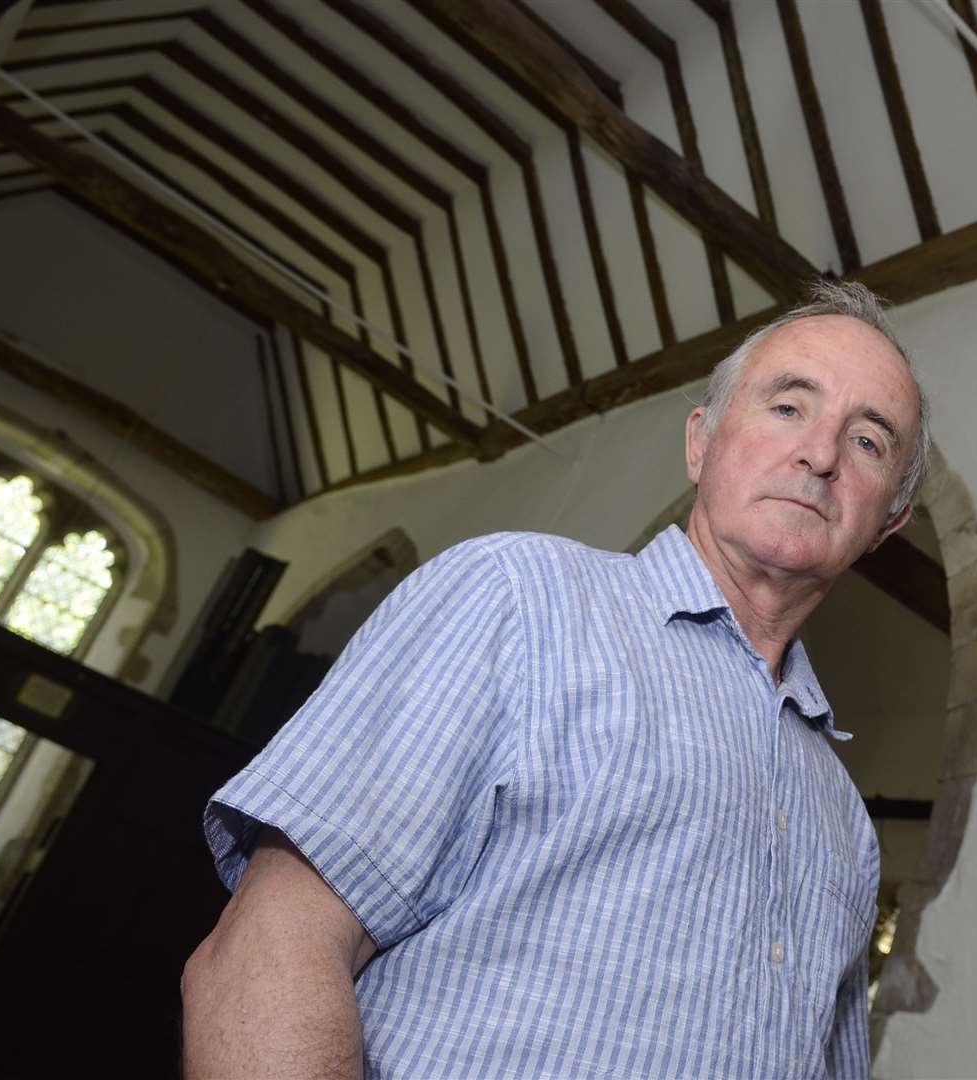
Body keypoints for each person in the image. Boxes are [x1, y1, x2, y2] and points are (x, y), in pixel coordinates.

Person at [180, 280, 932, 1079]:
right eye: (788, 407)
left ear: (889, 521)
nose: (818, 454)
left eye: (867, 443)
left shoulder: (844, 822)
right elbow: (269, 952)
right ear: (700, 441)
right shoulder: (517, 599)